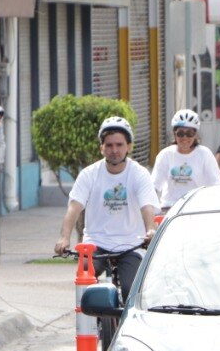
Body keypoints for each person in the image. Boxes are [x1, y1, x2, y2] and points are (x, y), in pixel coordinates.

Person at [54, 116, 158, 300]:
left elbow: (147, 207)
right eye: (109, 145)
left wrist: (150, 230)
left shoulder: (139, 174)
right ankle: (90, 327)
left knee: (130, 290)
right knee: (85, 286)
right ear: (102, 147)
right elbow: (74, 208)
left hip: (131, 244)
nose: (114, 150)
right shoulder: (89, 174)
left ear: (128, 147)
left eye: (119, 145)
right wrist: (64, 238)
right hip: (96, 243)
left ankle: (126, 328)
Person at [153, 109, 220, 210]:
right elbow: (154, 186)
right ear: (174, 134)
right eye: (180, 133)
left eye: (189, 133)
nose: (185, 138)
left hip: (196, 208)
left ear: (195, 135)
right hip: (170, 208)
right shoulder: (165, 155)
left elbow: (216, 186)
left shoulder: (205, 154)